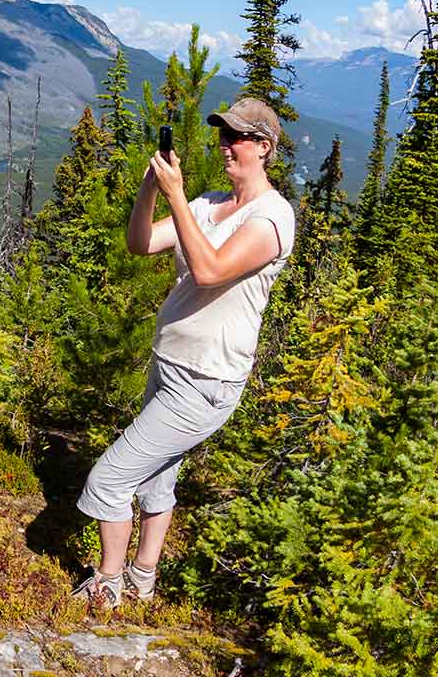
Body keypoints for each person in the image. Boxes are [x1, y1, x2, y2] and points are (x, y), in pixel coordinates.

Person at [71, 96, 296, 608]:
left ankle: (107, 584)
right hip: (170, 364)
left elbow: (210, 270)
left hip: (207, 381)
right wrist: (153, 188)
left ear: (263, 148)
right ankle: (142, 579)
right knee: (154, 480)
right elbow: (139, 243)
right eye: (222, 135)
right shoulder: (210, 203)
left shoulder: (272, 217)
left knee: (109, 478)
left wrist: (176, 195)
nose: (225, 145)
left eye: (236, 137)